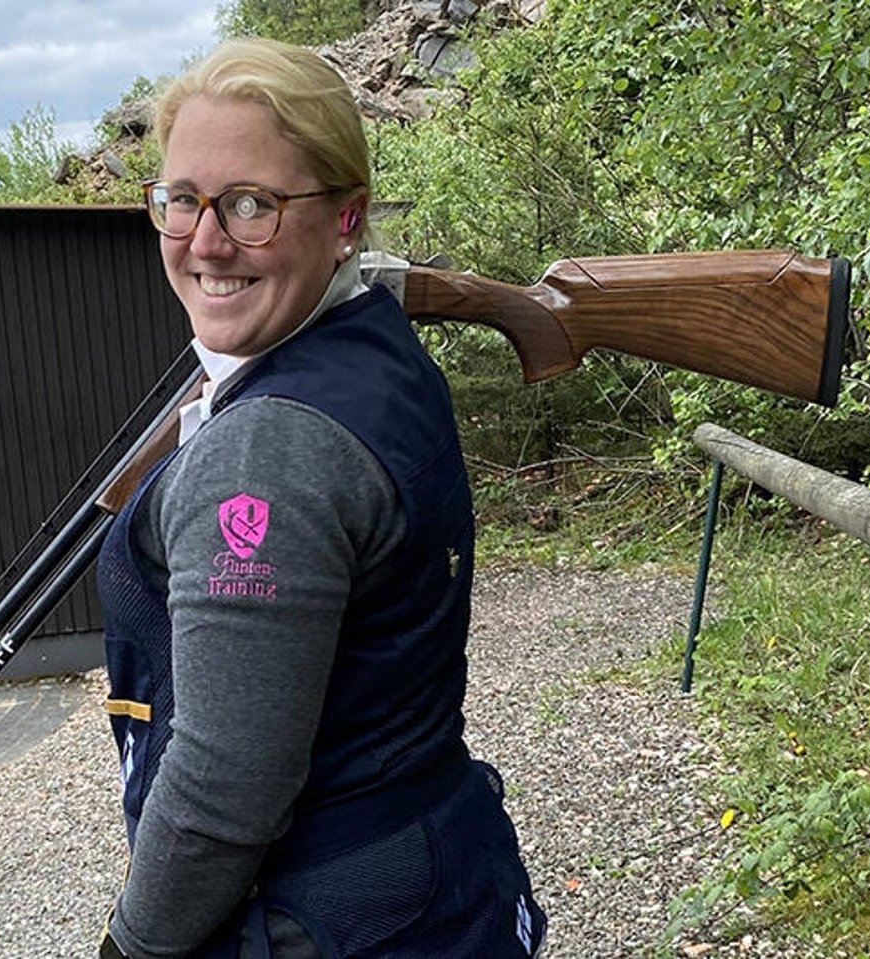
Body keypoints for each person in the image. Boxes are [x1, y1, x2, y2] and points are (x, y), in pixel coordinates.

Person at [96, 38, 547, 959]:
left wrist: (133, 945)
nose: (205, 241)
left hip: (320, 920)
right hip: (427, 882)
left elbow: (224, 792)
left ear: (346, 219)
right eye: (180, 200)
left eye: (251, 204)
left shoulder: (266, 445)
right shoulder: (371, 349)